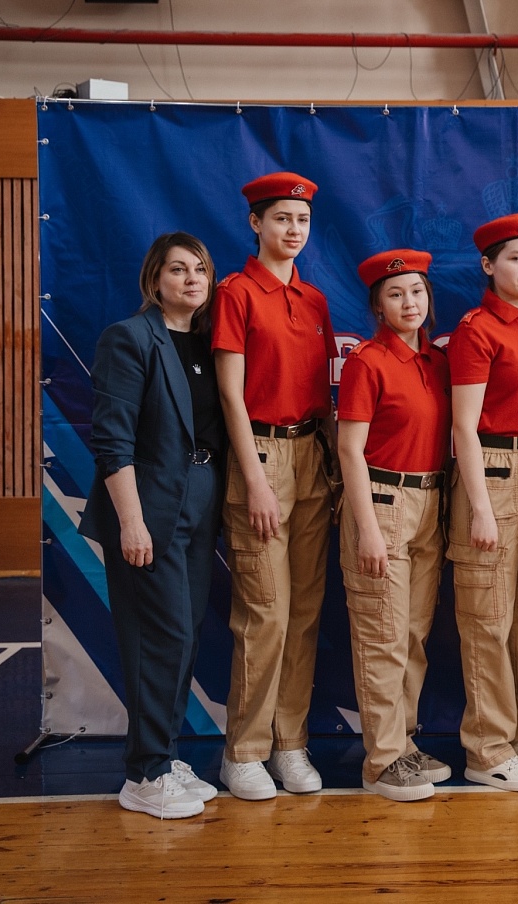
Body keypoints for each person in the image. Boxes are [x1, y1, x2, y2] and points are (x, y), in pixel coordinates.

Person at [80, 232, 225, 819]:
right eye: (178, 270)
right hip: (149, 507)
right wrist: (132, 522)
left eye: (200, 270)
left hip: (200, 501)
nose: (191, 280)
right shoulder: (130, 337)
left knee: (184, 635)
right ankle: (143, 774)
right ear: (154, 280)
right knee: (157, 639)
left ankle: (163, 755)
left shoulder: (208, 343)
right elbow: (112, 440)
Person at [213, 172, 335, 801]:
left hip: (311, 454)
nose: (293, 229)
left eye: (302, 219)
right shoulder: (236, 293)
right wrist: (255, 481)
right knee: (265, 612)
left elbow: (322, 397)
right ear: (255, 223)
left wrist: (332, 469)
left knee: (305, 611)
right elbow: (230, 396)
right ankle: (244, 751)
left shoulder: (313, 300)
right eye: (282, 218)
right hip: (260, 457)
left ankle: (290, 743)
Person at [446, 214, 518, 791]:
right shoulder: (476, 330)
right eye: (516, 258)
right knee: (488, 617)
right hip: (493, 471)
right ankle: (486, 747)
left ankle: (517, 731)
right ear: (489, 266)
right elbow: (463, 427)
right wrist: (480, 507)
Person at [337, 250, 453, 801]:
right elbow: (349, 450)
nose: (410, 303)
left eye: (417, 291)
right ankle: (381, 761)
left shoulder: (436, 361)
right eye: (396, 294)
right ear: (378, 306)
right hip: (383, 502)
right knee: (382, 635)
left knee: (412, 634)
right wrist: (367, 529)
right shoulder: (367, 361)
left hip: (431, 501)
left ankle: (403, 743)